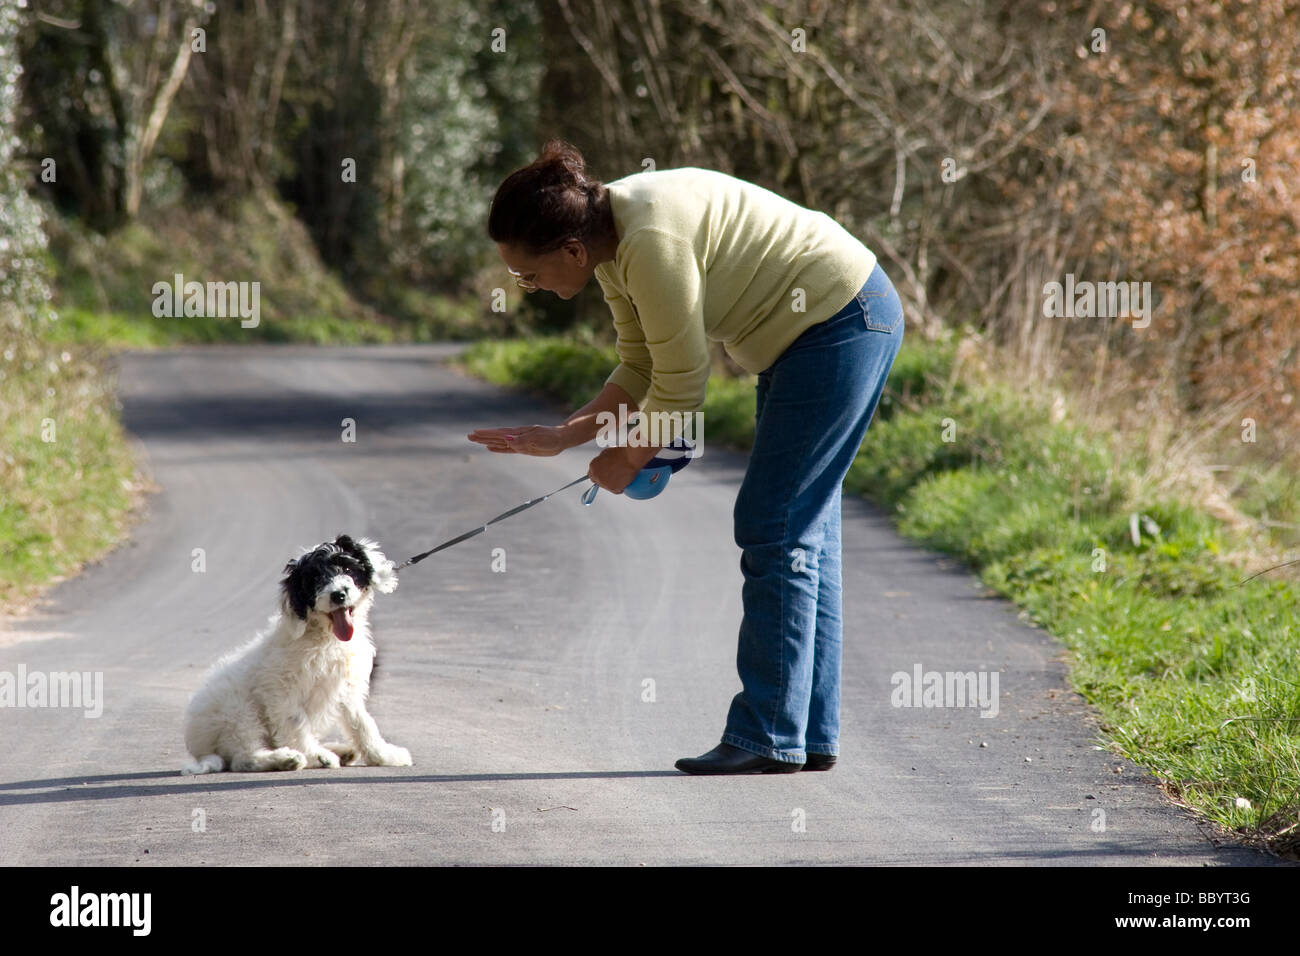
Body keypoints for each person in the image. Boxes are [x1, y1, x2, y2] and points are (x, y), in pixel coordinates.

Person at [469, 140, 904, 774]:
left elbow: (681, 388)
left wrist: (625, 458)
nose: (528, 288)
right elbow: (642, 364)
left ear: (570, 250)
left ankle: (764, 735)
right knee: (802, 531)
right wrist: (569, 435)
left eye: (527, 275)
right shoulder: (611, 244)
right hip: (809, 337)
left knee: (772, 524)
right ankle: (806, 733)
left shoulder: (650, 240)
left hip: (842, 319)